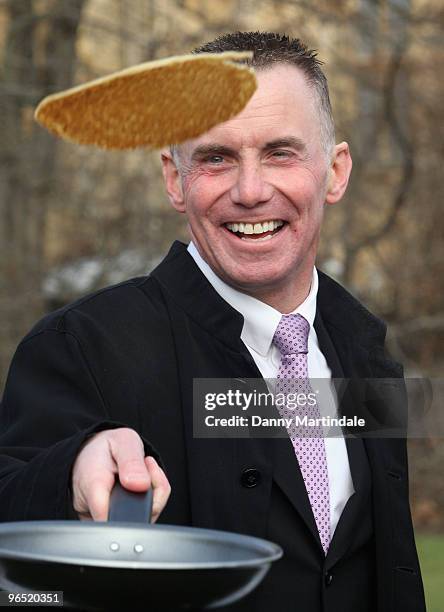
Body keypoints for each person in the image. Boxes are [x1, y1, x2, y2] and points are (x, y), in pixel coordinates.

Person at [0, 31, 425, 611]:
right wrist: (67, 477)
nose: (250, 191)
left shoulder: (369, 352)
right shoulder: (81, 348)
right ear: (175, 180)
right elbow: (17, 574)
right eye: (216, 158)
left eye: (280, 152)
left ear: (335, 172)